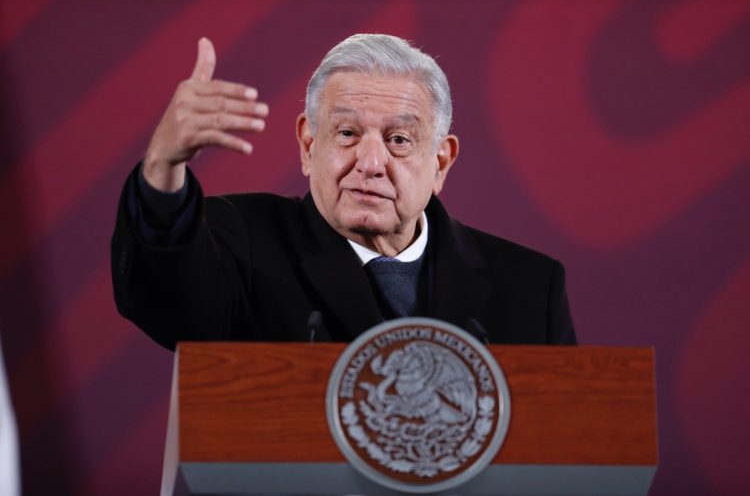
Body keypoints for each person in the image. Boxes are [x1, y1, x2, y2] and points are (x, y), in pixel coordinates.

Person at [111, 34, 577, 350]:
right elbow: (166, 298)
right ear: (308, 145)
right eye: (348, 133)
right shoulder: (239, 246)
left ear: (441, 162)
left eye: (398, 140)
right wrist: (162, 168)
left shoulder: (530, 289)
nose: (370, 164)